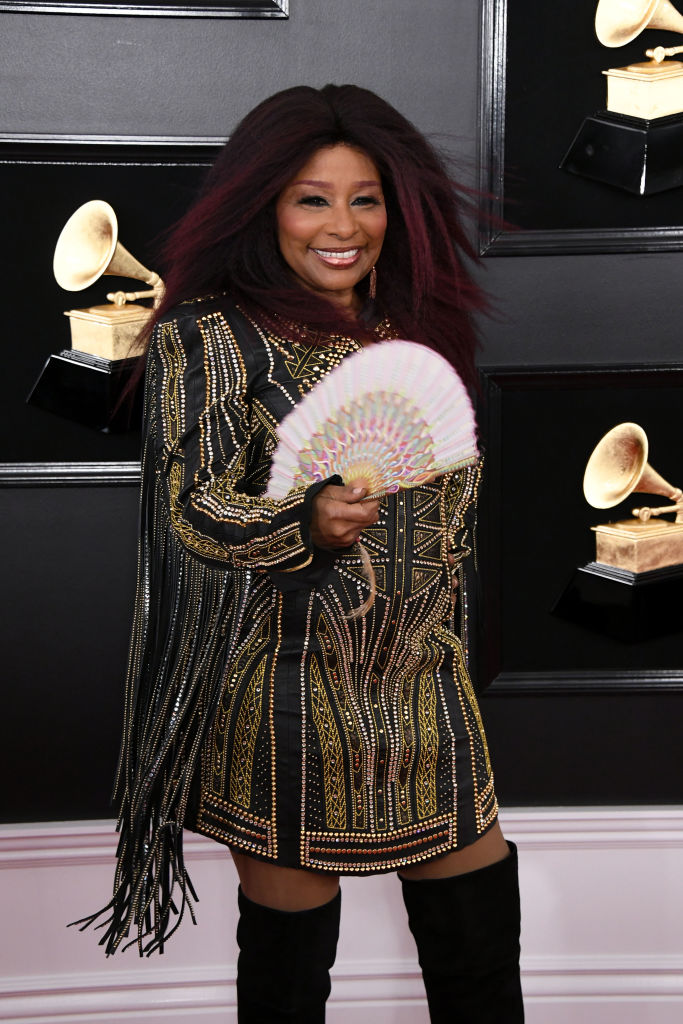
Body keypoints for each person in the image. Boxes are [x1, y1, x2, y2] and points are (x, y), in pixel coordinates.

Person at [79, 84, 524, 1023]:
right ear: (264, 206)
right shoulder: (211, 335)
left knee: (480, 964)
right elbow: (189, 510)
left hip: (423, 689)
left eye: (364, 198)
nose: (342, 225)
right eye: (310, 198)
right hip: (282, 692)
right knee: (288, 987)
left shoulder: (417, 331)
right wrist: (302, 525)